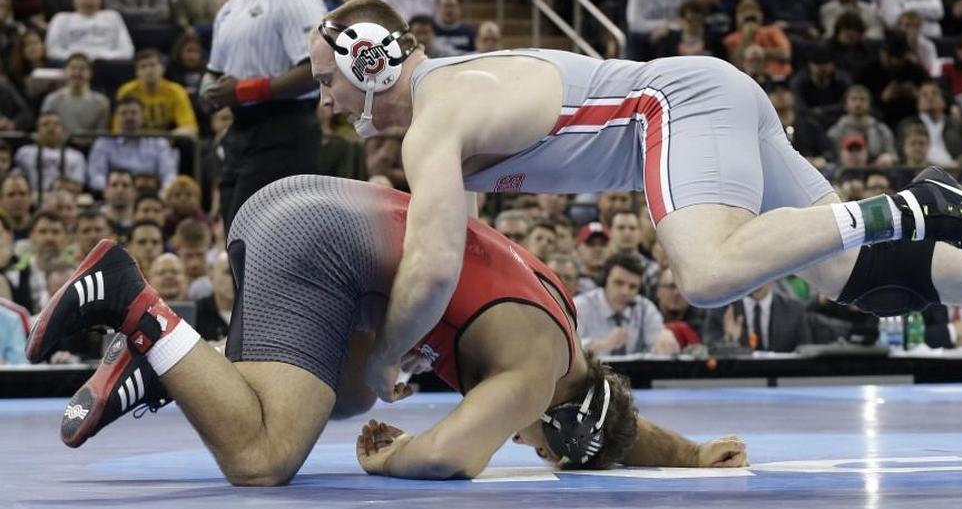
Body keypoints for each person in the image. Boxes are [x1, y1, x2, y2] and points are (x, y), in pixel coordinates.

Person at [311, 0, 962, 428]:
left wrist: (383, 356)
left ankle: (914, 202)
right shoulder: (451, 100)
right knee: (850, 274)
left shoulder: (437, 116)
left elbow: (433, 261)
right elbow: (449, 258)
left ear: (371, 60)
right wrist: (418, 339)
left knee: (705, 271)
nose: (327, 104)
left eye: (327, 82)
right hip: (700, 99)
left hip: (673, 104)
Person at [28, 175, 747, 484]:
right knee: (263, 458)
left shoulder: (565, 346)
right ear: (552, 425)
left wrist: (688, 454)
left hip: (293, 210)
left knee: (346, 399)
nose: (523, 445)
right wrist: (394, 458)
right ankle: (136, 302)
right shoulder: (535, 379)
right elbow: (449, 459)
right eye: (539, 449)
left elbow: (608, 419)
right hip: (316, 244)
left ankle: (159, 364)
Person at [199, 0, 326, 231]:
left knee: (266, 239)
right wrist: (206, 93)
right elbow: (214, 70)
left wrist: (244, 91)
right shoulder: (229, 8)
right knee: (235, 237)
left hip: (286, 130)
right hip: (241, 130)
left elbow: (316, 69)